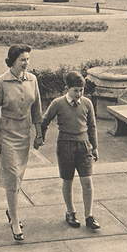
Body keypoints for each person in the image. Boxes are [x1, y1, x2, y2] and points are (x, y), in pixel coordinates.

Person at [0, 45, 43, 241]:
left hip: (24, 133)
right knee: (11, 175)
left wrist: (39, 133)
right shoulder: (0, 82)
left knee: (18, 176)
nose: (27, 63)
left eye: (28, 59)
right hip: (7, 133)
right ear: (13, 61)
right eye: (23, 60)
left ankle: (11, 211)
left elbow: (37, 108)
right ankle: (15, 220)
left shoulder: (33, 80)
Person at [40, 71, 100, 229]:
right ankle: (70, 212)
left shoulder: (87, 103)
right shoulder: (58, 103)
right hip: (66, 145)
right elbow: (44, 121)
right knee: (68, 181)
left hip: (84, 146)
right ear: (67, 88)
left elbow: (92, 126)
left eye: (82, 90)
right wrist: (41, 137)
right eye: (75, 90)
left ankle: (89, 216)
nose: (79, 94)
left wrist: (95, 147)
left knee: (87, 181)